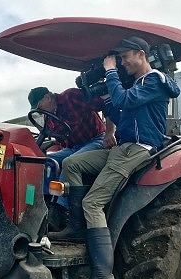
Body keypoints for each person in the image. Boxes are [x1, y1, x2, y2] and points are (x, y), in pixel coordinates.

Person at [51, 36, 180, 279]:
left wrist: (110, 72)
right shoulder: (135, 85)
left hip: (139, 148)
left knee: (93, 202)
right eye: (118, 59)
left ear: (140, 54)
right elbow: (119, 112)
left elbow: (125, 101)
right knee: (72, 163)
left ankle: (103, 278)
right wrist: (103, 97)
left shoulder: (154, 80)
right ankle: (76, 227)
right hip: (122, 147)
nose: (121, 62)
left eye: (123, 57)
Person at [27, 86, 116, 231]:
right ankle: (42, 205)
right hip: (73, 146)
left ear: (48, 97)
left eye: (38, 105)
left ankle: (59, 211)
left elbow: (105, 105)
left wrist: (110, 132)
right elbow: (59, 138)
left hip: (95, 139)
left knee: (70, 163)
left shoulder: (71, 96)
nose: (39, 110)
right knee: (44, 162)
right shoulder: (47, 116)